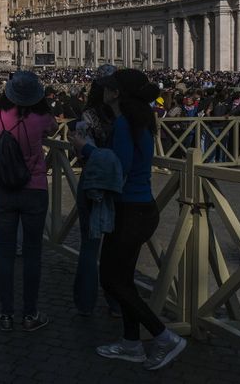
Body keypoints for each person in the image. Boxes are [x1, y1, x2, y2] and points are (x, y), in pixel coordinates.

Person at [72, 69, 187, 370]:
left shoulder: (124, 124)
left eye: (109, 87)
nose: (104, 90)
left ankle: (164, 336)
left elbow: (117, 169)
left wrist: (86, 148)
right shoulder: (143, 121)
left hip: (129, 211)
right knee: (123, 281)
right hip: (142, 208)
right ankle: (131, 343)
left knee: (111, 279)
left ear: (116, 93)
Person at [0, 71, 57, 332]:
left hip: (5, 190)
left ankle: (6, 314)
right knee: (32, 254)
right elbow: (53, 127)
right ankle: (30, 313)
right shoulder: (42, 118)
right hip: (34, 190)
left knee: (5, 254)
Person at [73, 64, 121, 317]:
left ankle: (85, 302)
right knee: (115, 249)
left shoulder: (87, 117)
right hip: (118, 185)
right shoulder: (125, 118)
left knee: (89, 246)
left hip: (92, 183)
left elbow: (80, 153)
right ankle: (115, 302)